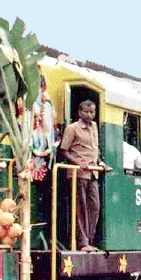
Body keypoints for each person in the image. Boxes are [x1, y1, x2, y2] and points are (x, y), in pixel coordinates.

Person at [60, 100, 105, 252]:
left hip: (93, 172)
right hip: (78, 174)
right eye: (86, 111)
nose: (89, 115)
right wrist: (78, 163)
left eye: (92, 112)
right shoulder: (72, 128)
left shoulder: (94, 127)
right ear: (79, 112)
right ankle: (82, 242)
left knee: (95, 207)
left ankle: (89, 240)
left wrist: (101, 162)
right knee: (81, 208)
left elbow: (95, 149)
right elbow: (64, 151)